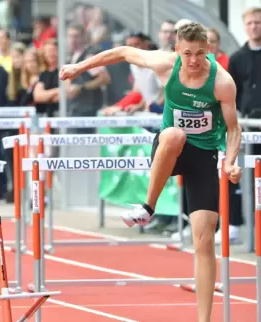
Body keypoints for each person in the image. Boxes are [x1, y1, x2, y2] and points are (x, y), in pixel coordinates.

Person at [60, 22, 242, 322]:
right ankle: (148, 206)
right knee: (174, 135)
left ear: (208, 50)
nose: (194, 61)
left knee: (204, 239)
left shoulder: (222, 82)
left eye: (200, 53)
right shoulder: (165, 64)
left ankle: (205, 319)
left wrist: (231, 161)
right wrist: (80, 66)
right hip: (169, 148)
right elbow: (122, 52)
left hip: (204, 155)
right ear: (177, 51)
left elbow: (233, 130)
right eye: (187, 54)